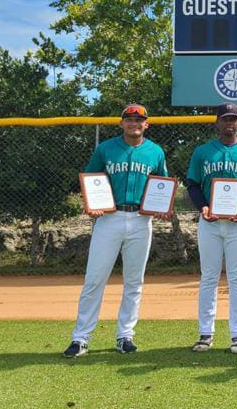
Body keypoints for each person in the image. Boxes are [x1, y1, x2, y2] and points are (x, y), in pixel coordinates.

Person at [63, 104, 170, 358]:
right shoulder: (106, 149)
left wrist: (161, 206)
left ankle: (125, 336)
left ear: (147, 124)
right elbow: (91, 179)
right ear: (121, 123)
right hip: (109, 219)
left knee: (134, 281)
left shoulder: (155, 151)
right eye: (129, 119)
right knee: (94, 279)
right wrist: (91, 203)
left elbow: (161, 184)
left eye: (139, 120)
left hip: (140, 220)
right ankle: (80, 338)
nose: (134, 123)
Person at [185, 102, 237, 354]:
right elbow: (192, 184)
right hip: (210, 222)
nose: (229, 123)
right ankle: (205, 333)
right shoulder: (202, 152)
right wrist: (202, 207)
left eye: (233, 119)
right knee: (208, 277)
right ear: (217, 122)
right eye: (225, 118)